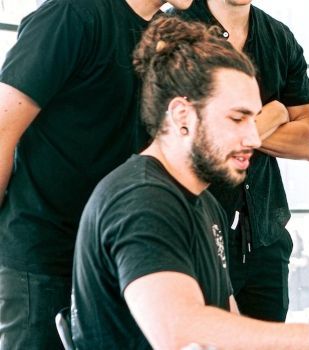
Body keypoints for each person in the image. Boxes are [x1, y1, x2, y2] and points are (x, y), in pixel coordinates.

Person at [70, 16, 309, 350]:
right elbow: (181, 331)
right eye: (237, 118)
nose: (254, 138)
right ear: (182, 115)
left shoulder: (205, 203)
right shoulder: (142, 200)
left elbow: (229, 324)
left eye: (254, 119)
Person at [0, 0, 191, 347]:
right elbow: (2, 129)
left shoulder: (167, 34)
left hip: (115, 258)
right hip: (44, 258)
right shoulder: (73, 13)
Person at [169, 0, 309, 322]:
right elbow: (181, 137)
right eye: (240, 116)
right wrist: (275, 114)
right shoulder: (173, 32)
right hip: (195, 236)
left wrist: (229, 130)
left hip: (265, 238)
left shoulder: (279, 37)